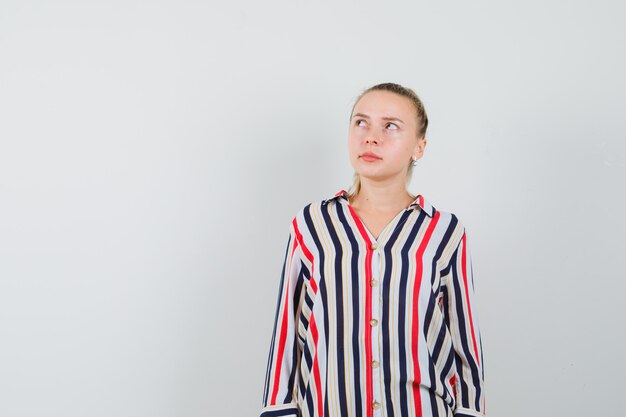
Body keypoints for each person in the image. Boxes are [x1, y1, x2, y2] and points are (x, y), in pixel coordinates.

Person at [259, 82, 485, 417]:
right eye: (361, 122)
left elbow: (464, 339)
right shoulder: (312, 224)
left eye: (390, 126)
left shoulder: (444, 231)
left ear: (419, 147)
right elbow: (287, 331)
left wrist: (470, 410)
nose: (371, 137)